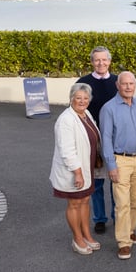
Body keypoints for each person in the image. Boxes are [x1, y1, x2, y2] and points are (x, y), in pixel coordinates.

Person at [100, 71, 136, 260]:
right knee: (122, 204)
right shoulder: (109, 108)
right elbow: (105, 139)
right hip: (121, 160)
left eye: (131, 84)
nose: (128, 87)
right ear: (117, 85)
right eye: (124, 84)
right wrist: (111, 165)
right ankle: (123, 242)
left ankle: (130, 231)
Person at [49, 83, 101, 255]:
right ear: (71, 98)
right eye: (78, 98)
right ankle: (77, 238)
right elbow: (67, 150)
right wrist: (77, 173)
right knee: (74, 203)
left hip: (87, 166)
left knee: (85, 201)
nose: (82, 101)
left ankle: (87, 234)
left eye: (86, 98)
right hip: (74, 171)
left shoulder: (85, 113)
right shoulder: (66, 120)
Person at [76, 46, 117, 234]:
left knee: (116, 181)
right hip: (93, 140)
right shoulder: (83, 83)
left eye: (104, 60)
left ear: (109, 61)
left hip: (116, 140)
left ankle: (118, 215)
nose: (101, 63)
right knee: (97, 183)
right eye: (97, 60)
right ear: (92, 62)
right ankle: (100, 218)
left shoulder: (118, 82)